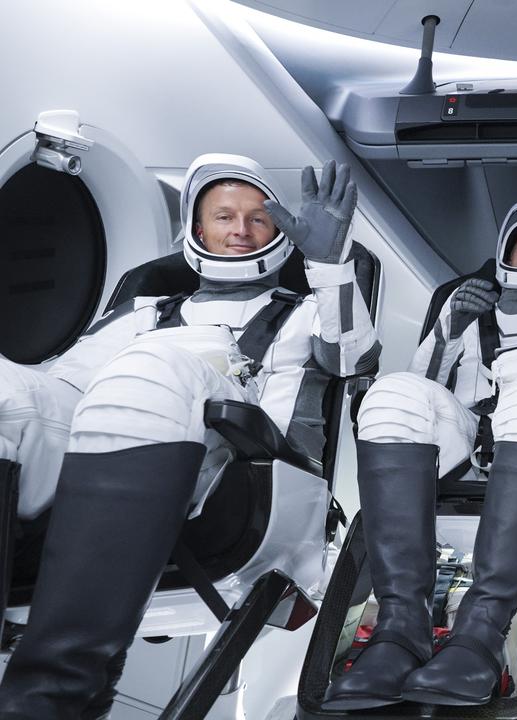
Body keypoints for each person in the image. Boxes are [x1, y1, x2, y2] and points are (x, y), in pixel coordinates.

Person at [0, 154, 378, 719]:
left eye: (259, 218)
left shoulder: (304, 313)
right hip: (118, 458)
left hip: (252, 482)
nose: (241, 230)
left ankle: (55, 698)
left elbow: (354, 358)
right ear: (197, 230)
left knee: (154, 368)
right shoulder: (144, 312)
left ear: (281, 232)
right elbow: (57, 396)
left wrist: (328, 264)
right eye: (224, 216)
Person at [324, 201, 517, 709]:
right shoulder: (467, 309)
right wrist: (449, 326)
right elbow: (423, 386)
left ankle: (482, 632)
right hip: (469, 440)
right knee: (391, 394)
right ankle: (402, 628)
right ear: (502, 256)